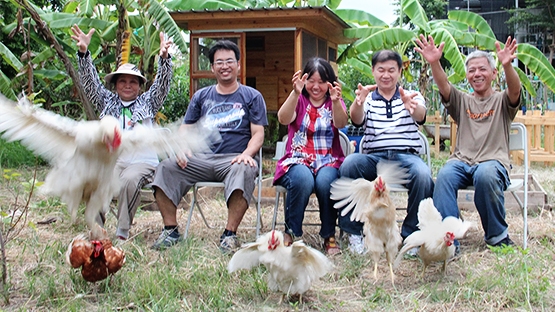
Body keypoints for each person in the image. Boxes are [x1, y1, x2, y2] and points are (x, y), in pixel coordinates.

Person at [150, 40, 267, 252]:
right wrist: (181, 147)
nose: (225, 66)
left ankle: (229, 234)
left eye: (229, 61)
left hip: (233, 159)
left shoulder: (252, 96)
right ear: (212, 67)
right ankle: (170, 230)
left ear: (238, 65)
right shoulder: (201, 96)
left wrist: (247, 154)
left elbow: (258, 133)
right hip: (200, 160)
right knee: (165, 168)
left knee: (245, 168)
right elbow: (185, 129)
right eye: (219, 62)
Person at [415, 35, 522, 247]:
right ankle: (447, 242)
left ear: (493, 73)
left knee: (485, 174)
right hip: (462, 162)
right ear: (467, 75)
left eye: (482, 69)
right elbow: (444, 86)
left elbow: (515, 90)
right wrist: (434, 62)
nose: (477, 74)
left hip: (492, 162)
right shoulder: (462, 100)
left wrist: (507, 65)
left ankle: (497, 236)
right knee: (444, 175)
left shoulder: (502, 100)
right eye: (472, 70)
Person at [71, 25, 173, 241]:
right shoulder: (106, 102)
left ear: (139, 85)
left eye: (133, 81)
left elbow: (162, 87)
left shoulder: (148, 102)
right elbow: (90, 84)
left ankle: (121, 234)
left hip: (142, 162)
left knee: (129, 180)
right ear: (115, 84)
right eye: (123, 81)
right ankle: (96, 231)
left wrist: (165, 59)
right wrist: (83, 54)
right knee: (97, 178)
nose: (128, 85)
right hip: (113, 161)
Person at [337, 50, 434, 254]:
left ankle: (410, 236)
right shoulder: (368, 99)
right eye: (381, 70)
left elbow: (421, 115)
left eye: (391, 70)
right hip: (375, 158)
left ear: (399, 71)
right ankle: (355, 233)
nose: (386, 75)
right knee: (349, 164)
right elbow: (356, 119)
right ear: (373, 71)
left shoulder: (412, 94)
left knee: (423, 175)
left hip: (406, 157)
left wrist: (411, 104)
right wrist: (359, 101)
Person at [273, 58, 348, 256]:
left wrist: (335, 102)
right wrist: (295, 92)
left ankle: (329, 235)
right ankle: (291, 233)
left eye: (322, 81)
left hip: (328, 159)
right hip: (298, 158)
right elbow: (283, 118)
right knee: (302, 179)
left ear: (330, 82)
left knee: (326, 182)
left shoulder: (334, 100)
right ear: (303, 80)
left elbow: (341, 124)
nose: (316, 86)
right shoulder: (299, 98)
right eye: (311, 81)